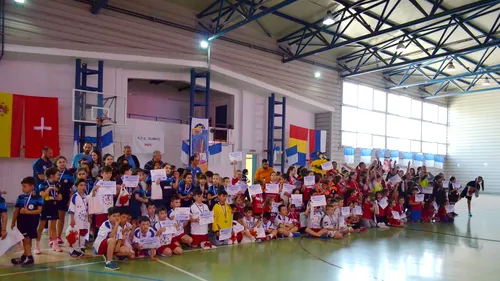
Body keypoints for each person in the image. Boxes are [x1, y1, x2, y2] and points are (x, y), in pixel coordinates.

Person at [10, 177, 43, 266]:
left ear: (32, 186)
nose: (22, 188)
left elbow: (39, 211)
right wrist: (13, 221)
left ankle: (27, 256)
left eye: (24, 186)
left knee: (28, 239)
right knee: (25, 238)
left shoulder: (38, 197)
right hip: (21, 221)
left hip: (32, 221)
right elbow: (16, 210)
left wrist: (28, 212)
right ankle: (27, 256)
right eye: (22, 186)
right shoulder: (21, 197)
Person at [35, 168, 63, 254]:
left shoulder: (57, 184)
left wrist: (59, 197)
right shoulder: (42, 184)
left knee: (53, 226)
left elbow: (60, 196)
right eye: (57, 174)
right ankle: (37, 246)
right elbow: (42, 195)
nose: (58, 176)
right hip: (45, 206)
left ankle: (55, 245)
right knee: (41, 227)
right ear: (52, 175)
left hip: (54, 205)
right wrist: (49, 189)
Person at [68, 179, 91, 257]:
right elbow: (71, 209)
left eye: (84, 185)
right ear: (76, 187)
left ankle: (81, 247)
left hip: (84, 218)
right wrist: (72, 220)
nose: (83, 187)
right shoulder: (75, 196)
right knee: (74, 234)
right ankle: (72, 250)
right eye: (81, 185)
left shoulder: (86, 196)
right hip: (76, 219)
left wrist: (89, 217)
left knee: (83, 232)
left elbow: (87, 208)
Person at [54, 156, 74, 245]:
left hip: (64, 199)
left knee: (61, 217)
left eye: (64, 162)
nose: (62, 164)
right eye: (60, 162)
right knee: (52, 218)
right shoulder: (53, 172)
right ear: (56, 164)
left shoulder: (69, 174)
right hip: (53, 198)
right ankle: (52, 237)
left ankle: (58, 236)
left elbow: (72, 188)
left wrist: (70, 199)